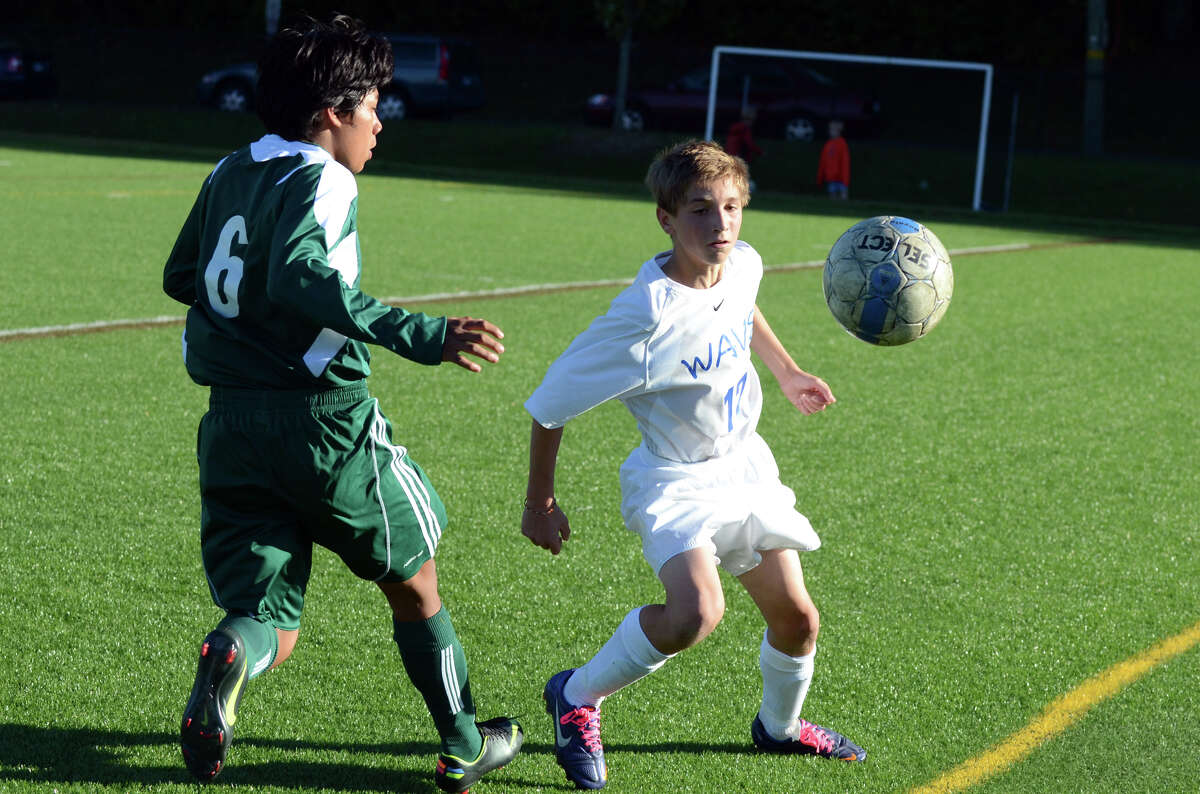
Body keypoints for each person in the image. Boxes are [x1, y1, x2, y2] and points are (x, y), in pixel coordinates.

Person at [162, 14, 522, 792]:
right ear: (331, 112)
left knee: (270, 619)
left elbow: (182, 275)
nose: (379, 120)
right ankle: (463, 742)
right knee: (414, 580)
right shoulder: (324, 177)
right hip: (325, 424)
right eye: (372, 102)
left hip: (231, 422)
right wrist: (420, 332)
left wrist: (244, 333)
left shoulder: (228, 168)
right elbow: (297, 277)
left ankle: (231, 654)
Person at [521, 140, 865, 790]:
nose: (721, 225)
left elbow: (742, 305)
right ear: (666, 218)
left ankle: (779, 730)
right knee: (695, 615)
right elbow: (549, 404)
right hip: (675, 482)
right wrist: (540, 501)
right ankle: (576, 696)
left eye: (732, 208)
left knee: (798, 621)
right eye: (702, 210)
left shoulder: (742, 264)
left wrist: (786, 372)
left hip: (744, 471)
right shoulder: (642, 318)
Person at [725, 107, 763, 192]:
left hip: (728, 155)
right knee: (741, 175)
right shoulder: (744, 129)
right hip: (737, 156)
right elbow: (749, 144)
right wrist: (760, 152)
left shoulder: (734, 128)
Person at [816, 119, 850, 199]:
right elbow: (823, 162)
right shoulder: (827, 145)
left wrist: (845, 178)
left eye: (833, 129)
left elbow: (845, 162)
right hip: (831, 177)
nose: (830, 131)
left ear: (839, 130)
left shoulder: (842, 144)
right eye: (830, 129)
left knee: (843, 194)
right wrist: (820, 177)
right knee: (832, 196)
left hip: (841, 178)